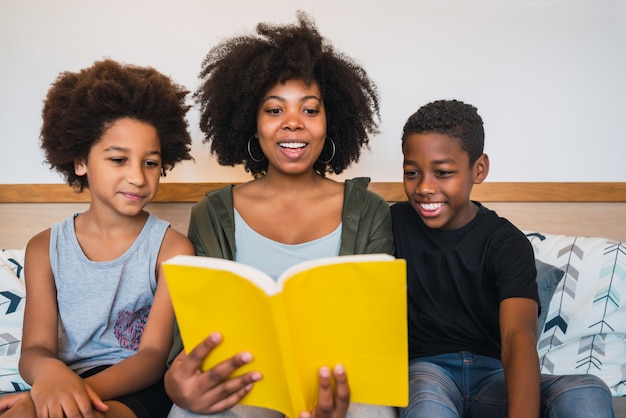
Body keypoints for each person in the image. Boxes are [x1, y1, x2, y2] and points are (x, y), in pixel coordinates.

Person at [164, 11, 396, 418]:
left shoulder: (370, 210)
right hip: (248, 387)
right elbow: (197, 333)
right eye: (274, 111)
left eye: (310, 110)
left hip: (341, 390)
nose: (293, 124)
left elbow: (376, 332)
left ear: (331, 122)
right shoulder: (213, 213)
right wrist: (179, 384)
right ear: (251, 123)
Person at [391, 99, 615, 417]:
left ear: (478, 169)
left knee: (588, 390)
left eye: (442, 172)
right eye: (412, 172)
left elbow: (517, 335)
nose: (425, 187)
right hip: (428, 372)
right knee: (426, 396)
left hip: (493, 379)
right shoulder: (392, 225)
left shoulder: (506, 242)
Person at [0, 59, 196, 417]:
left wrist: (73, 395)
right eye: (119, 159)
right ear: (80, 162)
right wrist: (50, 380)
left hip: (135, 389)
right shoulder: (44, 249)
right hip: (59, 380)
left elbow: (152, 358)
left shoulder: (173, 250)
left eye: (150, 163)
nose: (137, 177)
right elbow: (35, 350)